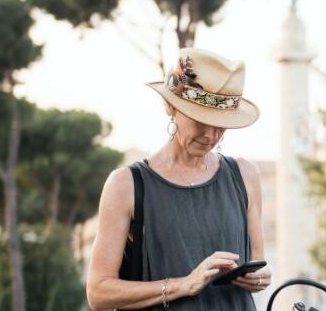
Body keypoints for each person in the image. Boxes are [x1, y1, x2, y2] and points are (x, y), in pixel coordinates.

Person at [86, 48, 268, 310]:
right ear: (170, 106)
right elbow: (99, 292)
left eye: (221, 123)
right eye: (200, 120)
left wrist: (258, 278)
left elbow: (257, 264)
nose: (211, 134)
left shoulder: (245, 176)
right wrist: (183, 285)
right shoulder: (126, 185)